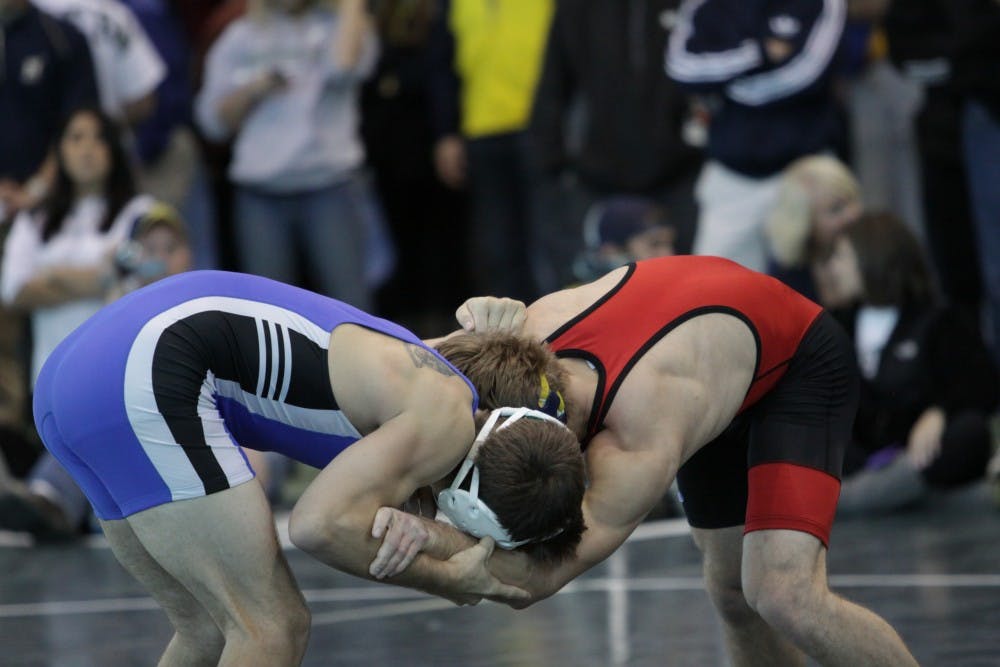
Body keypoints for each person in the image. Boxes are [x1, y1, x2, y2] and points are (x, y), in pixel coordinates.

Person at [373, 254, 918, 666]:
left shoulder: (639, 437)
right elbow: (390, 369)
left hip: (797, 360)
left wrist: (428, 544)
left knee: (783, 595)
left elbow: (535, 580)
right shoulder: (504, 345)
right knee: (731, 591)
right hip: (710, 356)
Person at [31, 269, 586, 665]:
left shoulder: (420, 383)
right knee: (272, 628)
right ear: (469, 503)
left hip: (76, 375)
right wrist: (448, 579)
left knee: (207, 629)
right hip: (149, 369)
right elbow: (317, 526)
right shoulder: (445, 419)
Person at [0, 203, 194, 539]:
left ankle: (96, 506)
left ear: (189, 254)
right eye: (150, 249)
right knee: (87, 426)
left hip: (188, 434)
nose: (160, 258)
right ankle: (53, 500)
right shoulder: (119, 306)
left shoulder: (206, 302)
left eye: (170, 248)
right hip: (135, 429)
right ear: (133, 255)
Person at [195, 0, 380, 310]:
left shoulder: (340, 25)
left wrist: (350, 6)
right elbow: (210, 122)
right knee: (268, 312)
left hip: (329, 185)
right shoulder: (240, 36)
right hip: (261, 195)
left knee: (352, 305)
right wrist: (253, 90)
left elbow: (345, 68)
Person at [815, 212, 999, 516]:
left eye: (842, 256)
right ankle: (891, 494)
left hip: (919, 457)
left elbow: (983, 390)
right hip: (862, 459)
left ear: (873, 258)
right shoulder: (836, 327)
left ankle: (865, 497)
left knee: (970, 432)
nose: (833, 267)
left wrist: (940, 411)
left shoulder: (939, 321)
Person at [665, 0, 847, 272]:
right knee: (715, 288)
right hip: (732, 172)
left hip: (804, 168)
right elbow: (681, 67)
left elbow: (808, 72)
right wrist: (759, 53)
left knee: (818, 289)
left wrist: (729, 82)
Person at [1, 106, 166, 386]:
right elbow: (12, 290)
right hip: (53, 372)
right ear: (58, 151)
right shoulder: (34, 219)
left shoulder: (142, 212)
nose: (87, 148)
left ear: (114, 149)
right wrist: (105, 278)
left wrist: (55, 275)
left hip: (124, 370)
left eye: (99, 138)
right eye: (76, 138)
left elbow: (157, 270)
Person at [765, 154, 863, 301]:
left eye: (852, 199)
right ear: (804, 223)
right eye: (836, 209)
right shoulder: (786, 279)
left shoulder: (873, 246)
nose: (852, 215)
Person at [571, 196, 677, 284]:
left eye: (671, 244)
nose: (669, 253)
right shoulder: (577, 302)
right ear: (611, 249)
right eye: (655, 244)